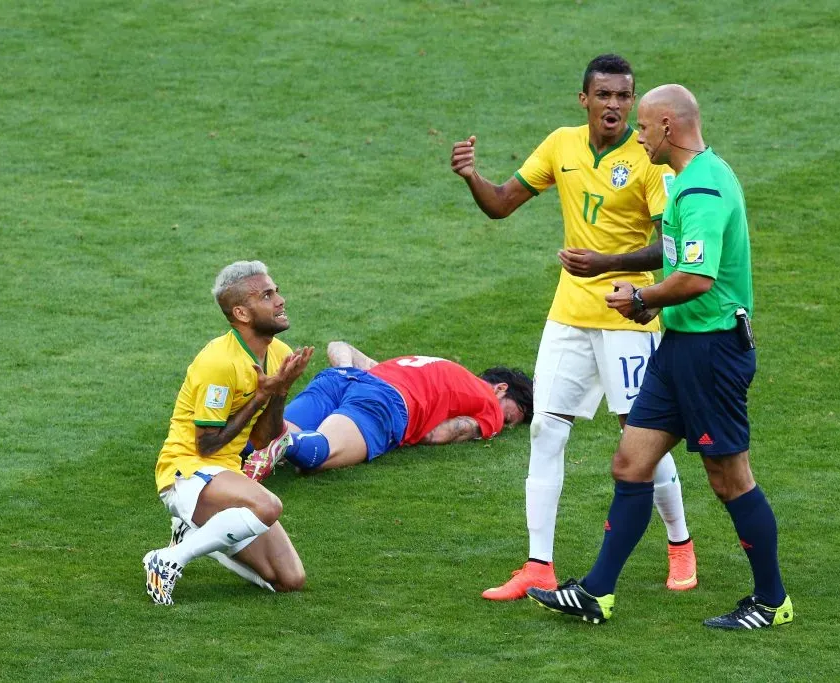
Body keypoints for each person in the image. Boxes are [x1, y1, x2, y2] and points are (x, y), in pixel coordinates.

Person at [527, 85, 793, 629]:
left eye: (645, 127)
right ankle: (597, 593)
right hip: (678, 347)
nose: (638, 134)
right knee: (631, 461)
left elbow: (697, 277)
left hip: (712, 351)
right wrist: (649, 304)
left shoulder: (701, 191)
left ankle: (772, 601)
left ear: (668, 126)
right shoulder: (693, 182)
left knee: (729, 478)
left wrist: (643, 297)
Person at [450, 54, 697, 601]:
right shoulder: (560, 145)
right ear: (583, 100)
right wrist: (473, 177)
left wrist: (606, 264)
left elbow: (669, 247)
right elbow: (501, 205)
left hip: (628, 315)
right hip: (568, 316)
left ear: (634, 102)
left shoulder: (649, 157)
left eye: (623, 96)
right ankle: (538, 564)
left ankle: (680, 543)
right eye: (603, 95)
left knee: (643, 438)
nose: (614, 106)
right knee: (545, 430)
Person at [143, 260, 313, 605]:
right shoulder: (218, 362)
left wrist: (280, 390)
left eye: (276, 291)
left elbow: (263, 439)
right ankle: (167, 560)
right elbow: (206, 445)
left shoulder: (277, 353)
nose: (280, 300)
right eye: (267, 295)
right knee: (268, 505)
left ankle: (196, 534)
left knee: (289, 580)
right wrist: (262, 395)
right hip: (186, 471)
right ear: (242, 313)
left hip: (226, 476)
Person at [240, 341, 533, 480]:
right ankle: (288, 442)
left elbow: (340, 346)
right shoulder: (487, 402)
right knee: (320, 452)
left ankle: (222, 448)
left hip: (344, 379)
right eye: (509, 417)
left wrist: (342, 368)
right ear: (501, 389)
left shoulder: (434, 365)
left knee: (257, 436)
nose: (503, 425)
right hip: (385, 402)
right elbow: (438, 435)